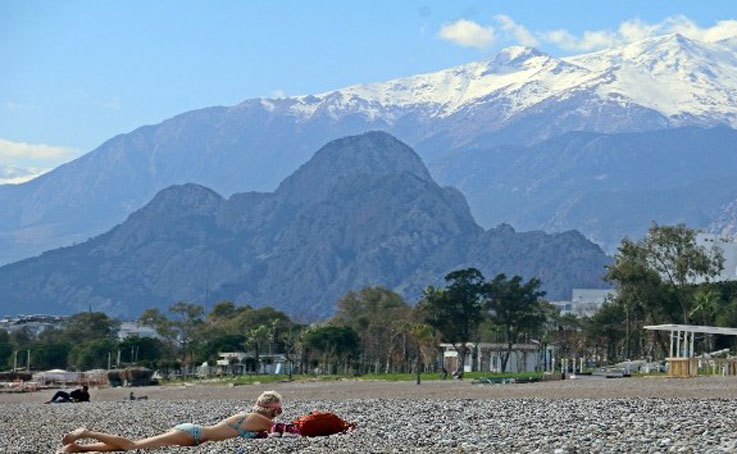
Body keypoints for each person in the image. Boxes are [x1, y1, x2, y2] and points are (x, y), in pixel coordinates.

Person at [56, 390, 283, 453]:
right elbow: (288, 431)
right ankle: (85, 433)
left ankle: (78, 449)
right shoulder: (258, 419)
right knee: (133, 445)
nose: (278, 414)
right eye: (278, 410)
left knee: (132, 446)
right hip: (193, 434)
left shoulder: (254, 418)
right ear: (273, 409)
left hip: (192, 434)